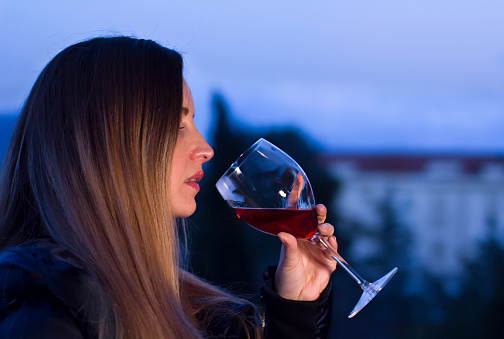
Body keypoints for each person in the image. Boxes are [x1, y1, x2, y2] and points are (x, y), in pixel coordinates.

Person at [0, 36, 337, 338]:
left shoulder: (191, 313)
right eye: (177, 126)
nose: (206, 148)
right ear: (107, 146)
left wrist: (295, 311)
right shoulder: (46, 316)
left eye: (193, 122)